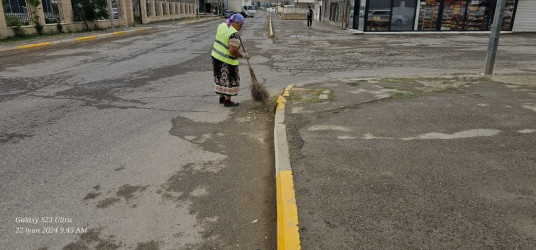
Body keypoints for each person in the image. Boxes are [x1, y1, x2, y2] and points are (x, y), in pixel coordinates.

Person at [211, 14, 250, 107]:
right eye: (241, 24)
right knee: (230, 79)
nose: (241, 27)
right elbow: (232, 50)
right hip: (227, 61)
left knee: (220, 78)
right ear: (235, 22)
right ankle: (227, 101)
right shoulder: (233, 33)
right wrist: (242, 55)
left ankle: (221, 97)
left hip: (216, 57)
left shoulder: (222, 25)